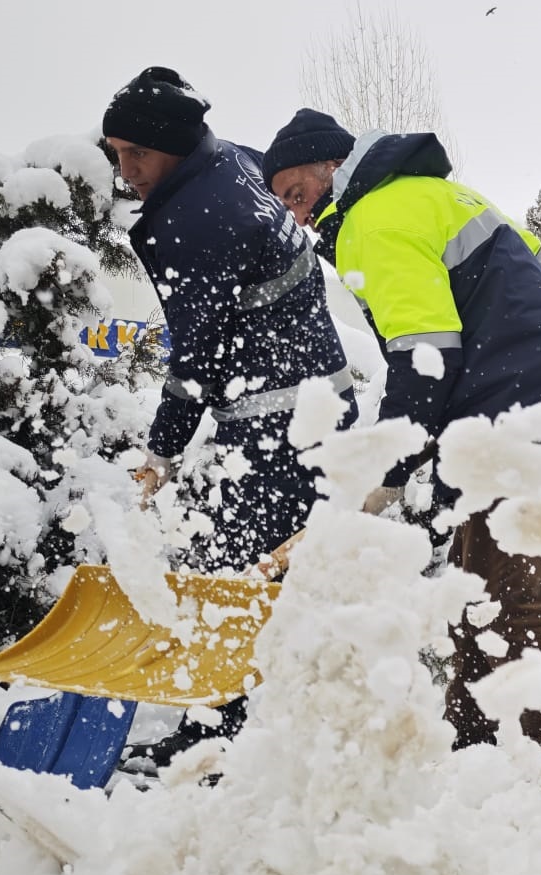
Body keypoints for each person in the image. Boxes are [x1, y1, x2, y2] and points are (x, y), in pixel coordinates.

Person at [262, 109, 541, 754]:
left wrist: (386, 467)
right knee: (480, 593)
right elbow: (537, 264)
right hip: (532, 407)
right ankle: (472, 748)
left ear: (330, 167)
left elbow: (425, 352)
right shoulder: (437, 195)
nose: (297, 215)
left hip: (513, 417)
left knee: (509, 603)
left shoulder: (375, 217)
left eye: (295, 194)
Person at [103, 69, 356, 766]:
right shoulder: (235, 162)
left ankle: (217, 745)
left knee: (232, 576)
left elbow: (197, 357)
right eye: (116, 154)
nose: (126, 173)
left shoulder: (199, 216)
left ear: (172, 148)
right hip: (308, 408)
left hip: (282, 422)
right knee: (266, 576)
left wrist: (161, 452)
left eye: (137, 155)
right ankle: (270, 728)